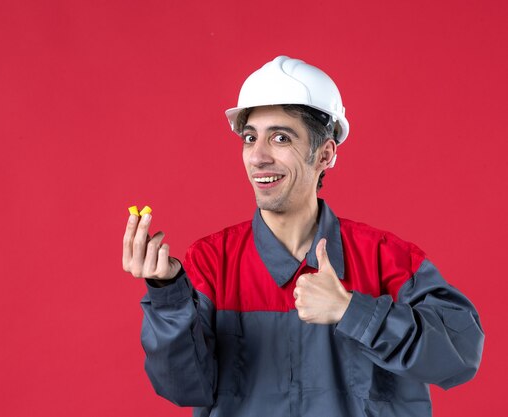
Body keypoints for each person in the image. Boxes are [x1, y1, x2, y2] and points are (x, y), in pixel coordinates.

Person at [122, 56, 484, 417]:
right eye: (250, 138)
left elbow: (463, 354)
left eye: (280, 137)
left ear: (324, 154)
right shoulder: (212, 262)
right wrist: (166, 291)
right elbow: (182, 388)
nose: (258, 156)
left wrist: (352, 311)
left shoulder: (389, 260)